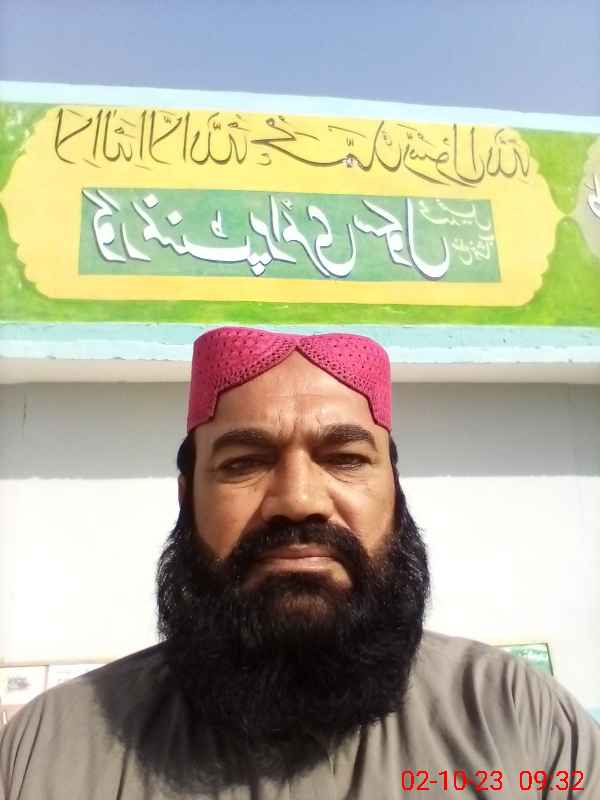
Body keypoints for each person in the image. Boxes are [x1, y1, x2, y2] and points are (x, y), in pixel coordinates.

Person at [1, 326, 598, 799]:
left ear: (395, 492)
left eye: (345, 458)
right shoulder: (48, 750)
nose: (299, 500)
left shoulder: (521, 723)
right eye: (243, 463)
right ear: (187, 497)